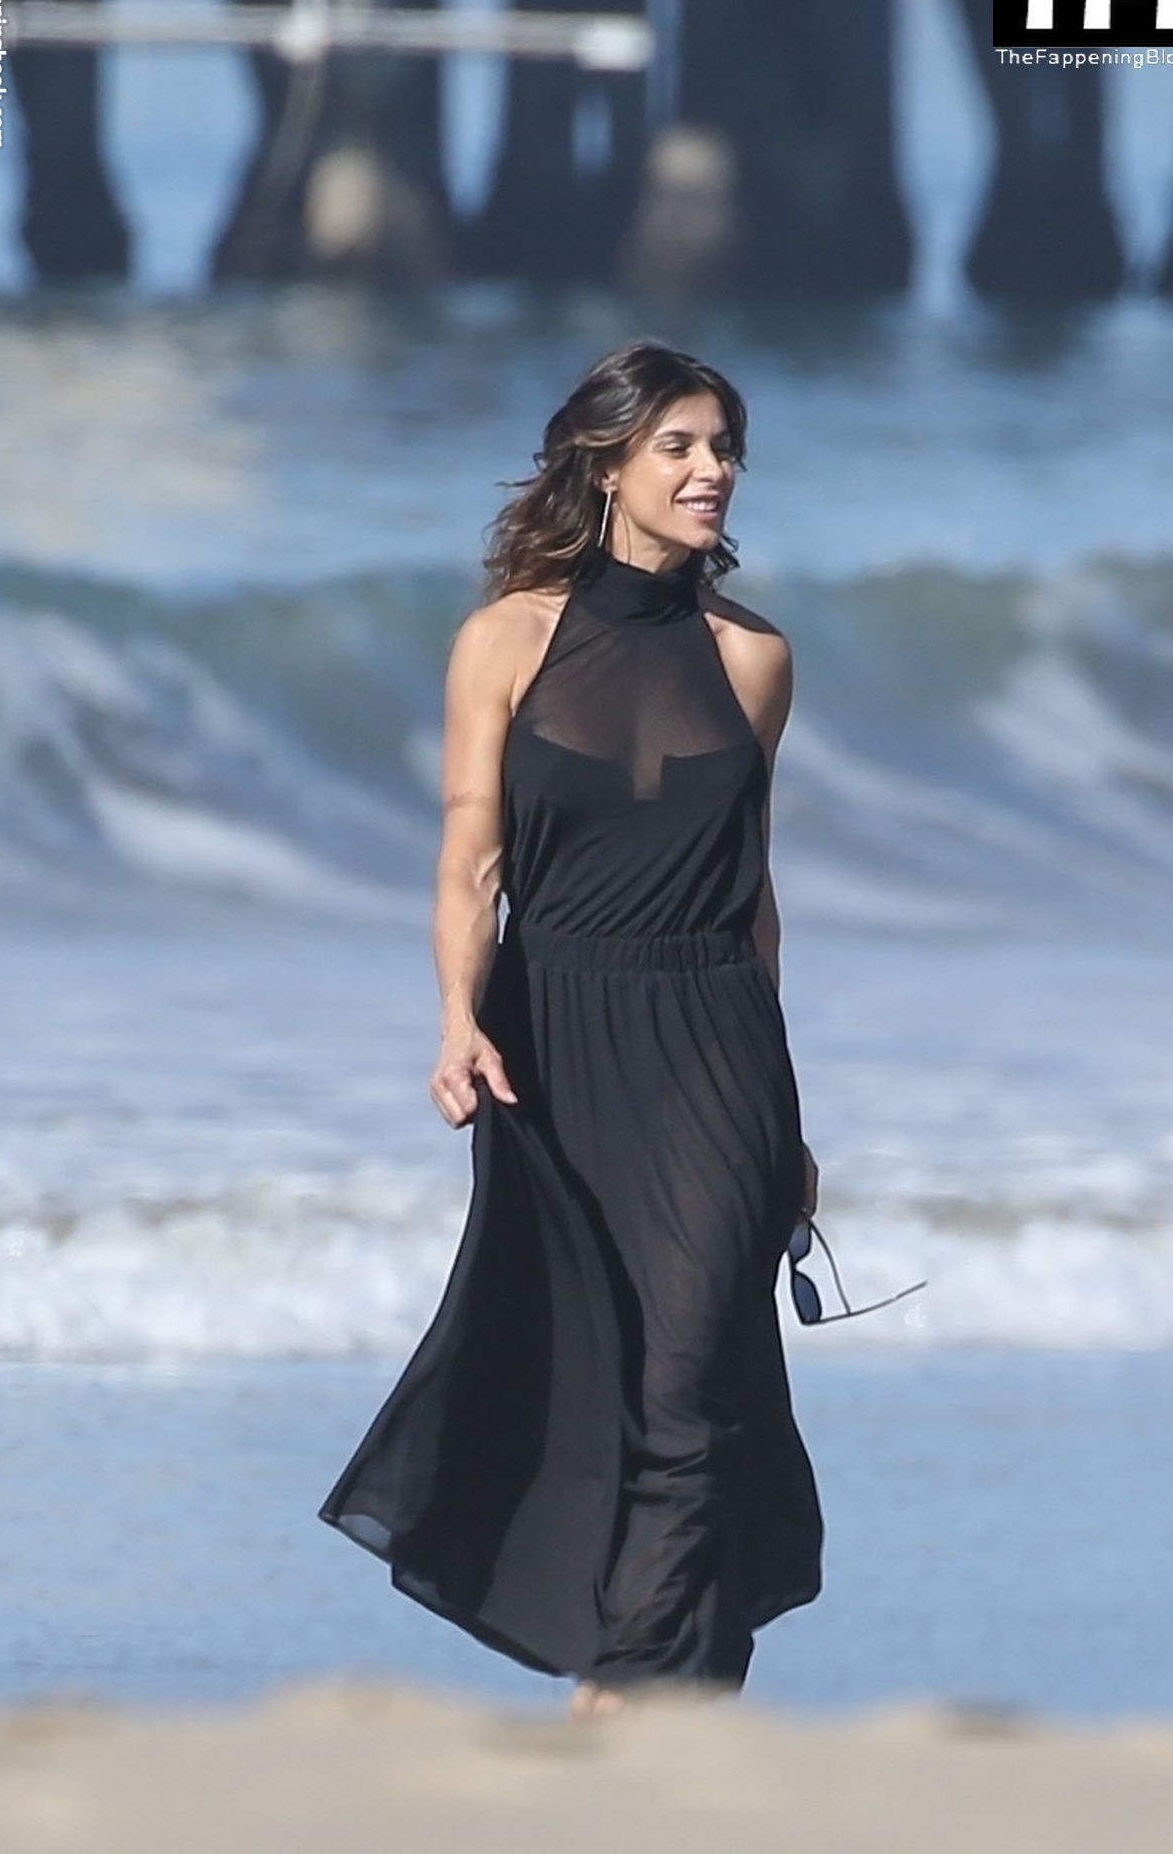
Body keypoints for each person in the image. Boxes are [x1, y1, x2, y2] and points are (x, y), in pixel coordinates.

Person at [318, 338, 827, 1720]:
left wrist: (787, 1119)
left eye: (724, 448)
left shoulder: (754, 660)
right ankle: (682, 1686)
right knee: (581, 1362)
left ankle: (626, 1691)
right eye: (681, 446)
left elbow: (754, 898)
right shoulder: (506, 640)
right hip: (549, 1035)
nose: (713, 471)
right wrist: (455, 1020)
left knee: (690, 1367)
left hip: (712, 1036)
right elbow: (468, 858)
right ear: (605, 466)